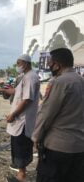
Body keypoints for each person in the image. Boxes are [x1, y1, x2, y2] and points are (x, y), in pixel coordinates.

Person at [32, 48, 84, 182]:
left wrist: (36, 137)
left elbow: (46, 113)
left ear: (57, 64)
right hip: (79, 147)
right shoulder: (80, 80)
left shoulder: (59, 82)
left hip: (58, 147)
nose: (49, 66)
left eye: (50, 63)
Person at [0, 55, 40, 182]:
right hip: (19, 121)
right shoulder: (25, 77)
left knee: (21, 149)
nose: (17, 66)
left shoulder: (31, 77)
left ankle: (22, 177)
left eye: (19, 63)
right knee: (18, 148)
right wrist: (0, 89)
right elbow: (15, 91)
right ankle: (21, 175)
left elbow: (26, 100)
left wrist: (13, 115)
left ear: (26, 63)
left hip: (22, 122)